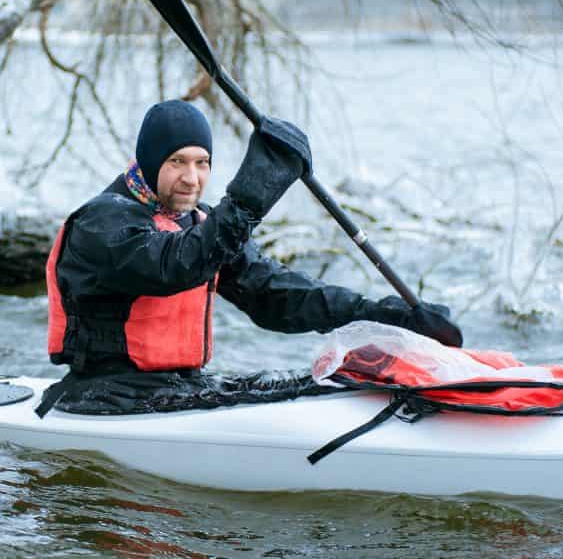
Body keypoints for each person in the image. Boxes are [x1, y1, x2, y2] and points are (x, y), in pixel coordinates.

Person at [39, 100, 462, 416]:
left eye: (202, 163)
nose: (192, 178)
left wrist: (388, 318)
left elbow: (276, 295)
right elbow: (173, 266)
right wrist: (251, 195)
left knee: (323, 383)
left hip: (175, 388)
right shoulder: (102, 223)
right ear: (150, 162)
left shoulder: (197, 224)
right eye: (176, 162)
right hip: (102, 396)